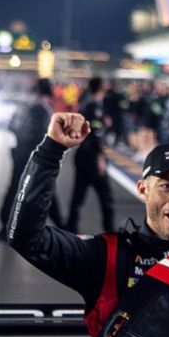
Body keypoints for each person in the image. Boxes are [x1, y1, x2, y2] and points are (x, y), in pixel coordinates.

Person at [7, 115, 169, 337]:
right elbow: (25, 237)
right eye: (166, 186)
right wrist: (50, 152)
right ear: (143, 190)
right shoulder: (106, 256)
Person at [0, 79, 58, 230]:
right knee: (46, 188)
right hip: (34, 155)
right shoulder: (42, 109)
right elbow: (43, 135)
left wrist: (21, 139)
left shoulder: (24, 105)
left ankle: (5, 221)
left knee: (15, 187)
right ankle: (63, 225)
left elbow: (11, 125)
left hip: (19, 151)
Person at [66, 76, 115, 233]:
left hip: (82, 155)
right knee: (106, 198)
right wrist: (100, 158)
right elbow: (96, 132)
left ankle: (71, 228)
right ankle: (112, 233)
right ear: (101, 87)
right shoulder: (95, 104)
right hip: (92, 156)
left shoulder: (85, 102)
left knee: (78, 195)